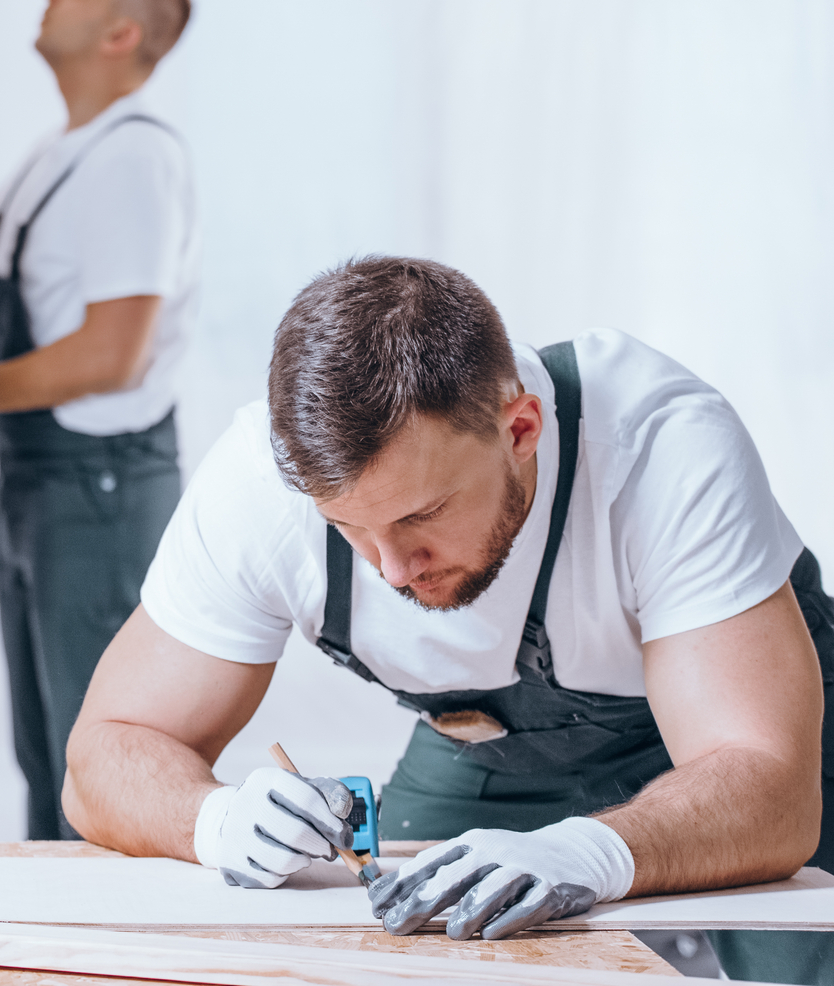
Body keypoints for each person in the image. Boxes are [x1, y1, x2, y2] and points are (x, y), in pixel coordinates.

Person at [63, 256, 834, 983]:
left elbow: (771, 786)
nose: (392, 569)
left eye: (420, 515)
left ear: (520, 430)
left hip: (757, 741)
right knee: (392, 942)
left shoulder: (660, 445)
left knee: (802, 954)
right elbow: (102, 758)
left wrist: (592, 850)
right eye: (348, 529)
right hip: (495, 749)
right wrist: (215, 818)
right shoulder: (258, 491)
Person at [0, 0, 199, 839]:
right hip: (44, 484)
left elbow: (112, 354)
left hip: (97, 490)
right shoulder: (66, 152)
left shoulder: (134, 161)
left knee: (96, 762)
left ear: (119, 33)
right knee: (47, 753)